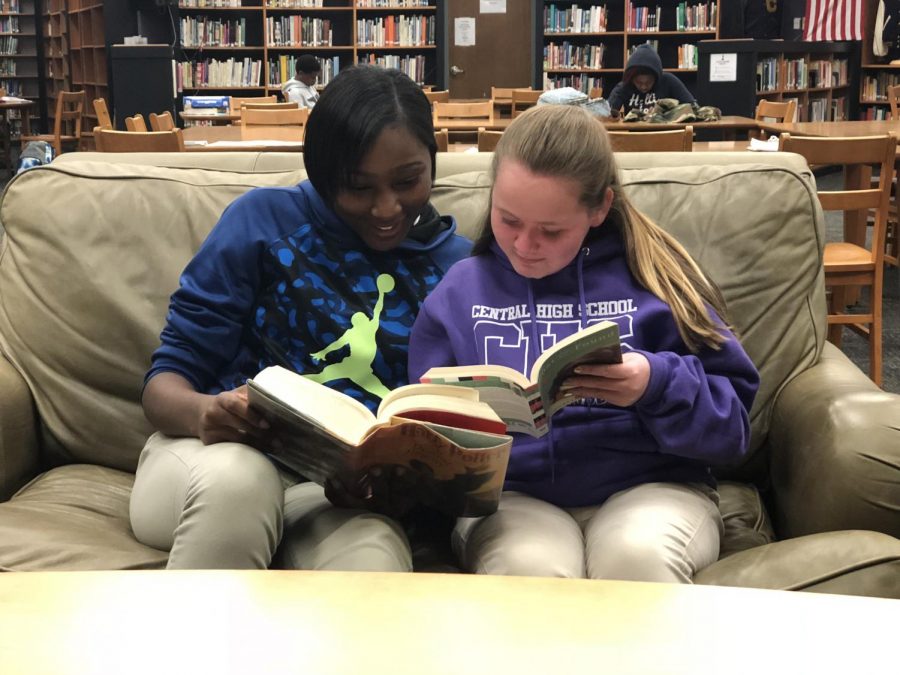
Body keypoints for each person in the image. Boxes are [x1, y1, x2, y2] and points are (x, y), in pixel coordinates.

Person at [129, 65, 471, 571]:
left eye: (407, 181)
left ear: (431, 162)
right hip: (208, 467)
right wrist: (204, 413)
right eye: (358, 187)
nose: (386, 208)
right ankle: (197, 652)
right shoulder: (263, 222)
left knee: (373, 560)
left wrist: (403, 484)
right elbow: (163, 385)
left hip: (333, 497)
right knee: (241, 483)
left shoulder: (458, 267)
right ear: (322, 174)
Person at [408, 104, 759, 582]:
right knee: (527, 570)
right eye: (508, 220)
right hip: (515, 497)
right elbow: (427, 425)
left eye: (551, 231)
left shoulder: (656, 279)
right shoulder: (459, 292)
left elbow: (734, 425)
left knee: (636, 556)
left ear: (598, 209)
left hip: (653, 486)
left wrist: (654, 383)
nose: (525, 245)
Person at [607, 43, 695, 117]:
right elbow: (606, 115)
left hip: (665, 134)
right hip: (634, 136)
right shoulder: (625, 86)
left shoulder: (668, 81)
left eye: (649, 82)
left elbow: (693, 107)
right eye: (638, 82)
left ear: (656, 78)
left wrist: (668, 113)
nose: (643, 86)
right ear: (632, 79)